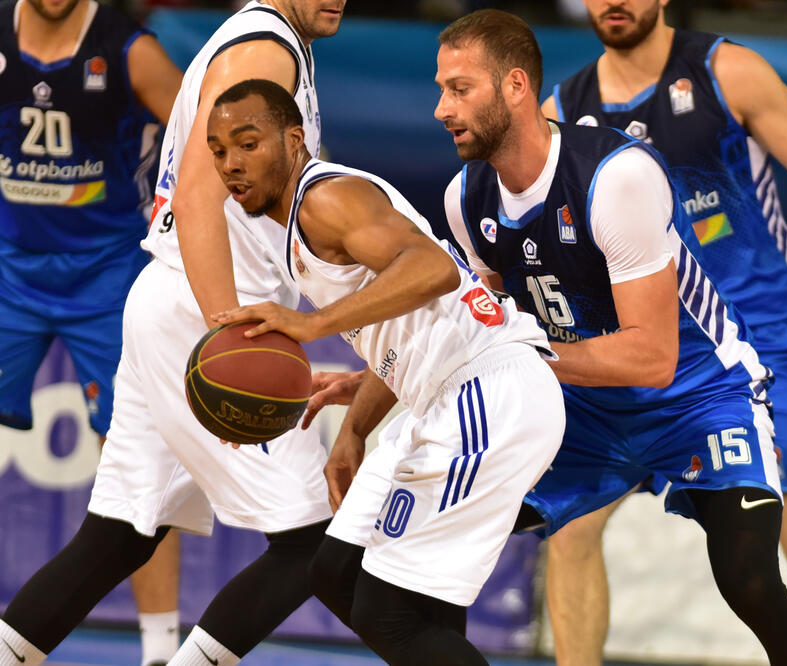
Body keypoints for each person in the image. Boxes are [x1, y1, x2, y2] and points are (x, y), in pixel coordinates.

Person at [436, 9, 787, 666]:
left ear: (513, 88)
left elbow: (651, 358)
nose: (440, 109)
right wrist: (381, 385)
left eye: (459, 90)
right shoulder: (469, 197)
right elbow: (475, 325)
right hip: (591, 402)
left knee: (758, 582)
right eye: (441, 89)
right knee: (444, 536)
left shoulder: (627, 164)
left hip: (702, 387)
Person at [540, 1, 787, 663]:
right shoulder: (561, 112)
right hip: (654, 350)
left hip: (767, 344)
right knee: (571, 530)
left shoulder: (728, 72)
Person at [0, 3, 346, 665]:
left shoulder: (265, 41)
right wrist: (226, 334)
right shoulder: (263, 49)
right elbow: (195, 194)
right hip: (203, 311)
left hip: (171, 300)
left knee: (119, 535)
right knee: (311, 543)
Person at [207, 78, 564, 666]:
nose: (231, 164)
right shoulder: (299, 220)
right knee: (337, 571)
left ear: (294, 140)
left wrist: (311, 326)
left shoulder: (325, 200)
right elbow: (409, 323)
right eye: (219, 151)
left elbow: (433, 272)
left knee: (387, 608)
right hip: (441, 395)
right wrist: (355, 429)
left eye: (248, 144)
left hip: (486, 389)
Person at [0, 0, 184, 663]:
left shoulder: (131, 51)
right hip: (10, 268)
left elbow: (205, 140)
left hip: (109, 273)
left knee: (135, 457)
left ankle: (160, 647)